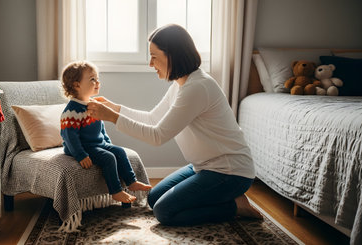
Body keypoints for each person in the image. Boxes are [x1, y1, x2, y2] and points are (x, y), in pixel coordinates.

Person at [86, 24, 262, 225]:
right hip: (203, 166)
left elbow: (157, 136)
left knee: (165, 212)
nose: (151, 64)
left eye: (154, 56)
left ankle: (234, 207)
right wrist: (115, 108)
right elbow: (153, 118)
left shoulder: (197, 87)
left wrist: (112, 117)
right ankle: (222, 198)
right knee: (154, 199)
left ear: (173, 55)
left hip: (230, 172)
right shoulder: (181, 83)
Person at [60, 61, 152, 204]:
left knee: (119, 151)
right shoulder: (72, 111)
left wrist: (108, 144)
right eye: (92, 79)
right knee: (108, 158)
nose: (97, 82)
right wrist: (80, 155)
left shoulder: (94, 105)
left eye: (97, 78)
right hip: (83, 147)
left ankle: (132, 182)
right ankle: (115, 191)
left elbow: (101, 128)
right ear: (77, 85)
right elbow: (69, 136)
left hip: (98, 144)